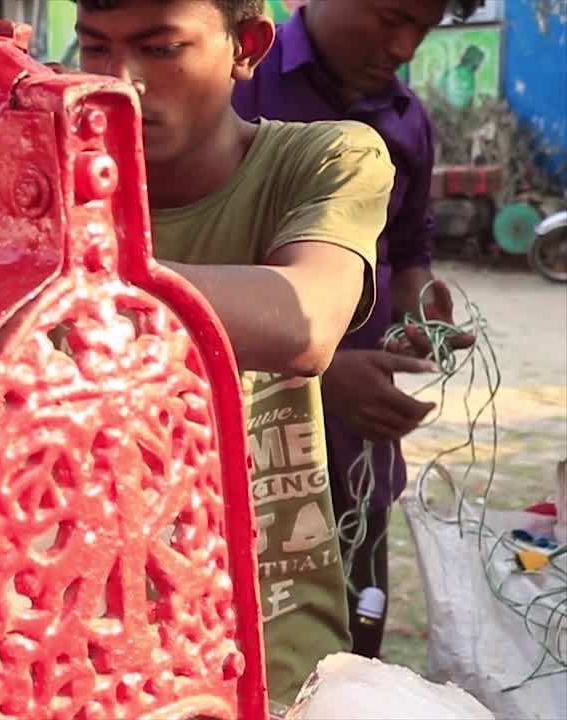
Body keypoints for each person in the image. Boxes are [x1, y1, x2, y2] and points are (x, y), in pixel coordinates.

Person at [72, 0, 411, 704]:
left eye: (160, 49)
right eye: (96, 49)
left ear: (247, 46)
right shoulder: (47, 184)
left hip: (269, 642)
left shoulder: (324, 158)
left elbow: (303, 321)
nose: (121, 81)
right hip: (77, 639)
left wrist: (65, 278)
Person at [232, 0, 480, 659]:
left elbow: (406, 245)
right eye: (391, 16)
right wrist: (316, 378)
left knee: (353, 633)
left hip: (356, 447)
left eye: (423, 29)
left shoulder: (406, 120)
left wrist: (420, 302)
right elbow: (191, 278)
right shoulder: (234, 84)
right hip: (244, 448)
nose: (404, 47)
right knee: (257, 638)